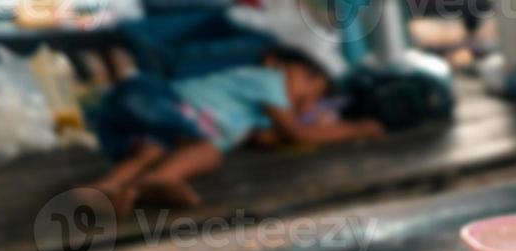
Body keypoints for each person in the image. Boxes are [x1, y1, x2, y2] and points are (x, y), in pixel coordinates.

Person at [90, 48, 384, 214]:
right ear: (275, 62)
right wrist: (356, 129)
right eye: (308, 81)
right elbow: (297, 133)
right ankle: (162, 178)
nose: (305, 99)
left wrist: (313, 121)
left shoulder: (259, 115)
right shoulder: (268, 80)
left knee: (151, 150)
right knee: (207, 151)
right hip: (156, 98)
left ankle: (111, 188)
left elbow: (269, 138)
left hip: (148, 117)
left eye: (314, 100)